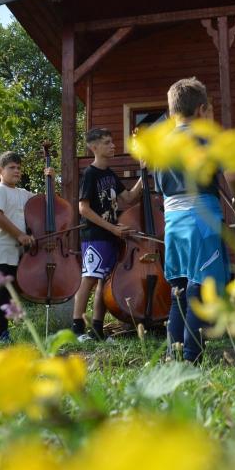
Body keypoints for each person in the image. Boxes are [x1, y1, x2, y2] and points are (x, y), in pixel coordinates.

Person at [157, 77, 235, 363]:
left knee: (179, 288)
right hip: (201, 218)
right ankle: (192, 359)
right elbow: (233, 176)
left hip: (172, 220)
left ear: (172, 111)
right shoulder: (207, 137)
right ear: (201, 109)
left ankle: (175, 354)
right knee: (199, 287)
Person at [0, 152, 55, 346]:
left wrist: (51, 180)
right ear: (0, 171)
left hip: (14, 252)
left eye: (19, 167)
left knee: (7, 294)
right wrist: (20, 235)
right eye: (11, 168)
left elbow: (48, 203)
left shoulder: (23, 194)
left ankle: (1, 334)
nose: (17, 170)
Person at [72, 128, 142, 342]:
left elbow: (128, 198)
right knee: (90, 278)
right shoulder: (90, 174)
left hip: (112, 235)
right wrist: (112, 228)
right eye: (107, 142)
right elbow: (83, 209)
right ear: (94, 148)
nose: (113, 146)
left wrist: (143, 172)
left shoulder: (110, 174)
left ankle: (96, 330)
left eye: (112, 142)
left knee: (105, 281)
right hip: (95, 235)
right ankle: (76, 330)